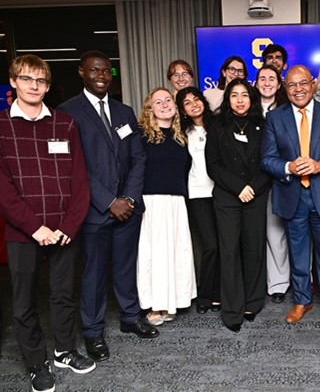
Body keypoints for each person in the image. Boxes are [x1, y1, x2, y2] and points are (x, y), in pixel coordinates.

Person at [0, 54, 95, 392]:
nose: (34, 86)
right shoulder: (1, 127)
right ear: (14, 81)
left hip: (63, 229)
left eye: (40, 81)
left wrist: (69, 226)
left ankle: (64, 350)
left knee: (63, 294)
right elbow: (3, 188)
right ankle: (37, 363)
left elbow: (79, 181)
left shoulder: (65, 124)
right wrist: (33, 227)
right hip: (22, 230)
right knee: (24, 301)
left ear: (48, 86)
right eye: (27, 79)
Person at [58, 50, 158, 364]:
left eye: (107, 72)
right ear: (81, 72)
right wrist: (107, 201)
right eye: (95, 71)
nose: (102, 76)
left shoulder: (124, 111)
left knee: (126, 268)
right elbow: (74, 167)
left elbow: (138, 158)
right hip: (94, 212)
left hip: (127, 208)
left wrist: (127, 199)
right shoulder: (66, 113)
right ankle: (93, 331)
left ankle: (130, 317)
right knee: (94, 274)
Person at [261, 65, 320, 332]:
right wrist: (288, 167)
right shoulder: (274, 118)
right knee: (298, 254)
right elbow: (267, 159)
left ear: (313, 84)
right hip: (292, 195)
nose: (298, 89)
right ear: (284, 88)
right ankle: (302, 301)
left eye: (303, 83)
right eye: (291, 85)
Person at [205, 78, 269, 333]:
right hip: (228, 196)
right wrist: (238, 188)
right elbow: (213, 165)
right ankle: (232, 310)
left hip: (256, 193)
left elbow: (270, 160)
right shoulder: (217, 125)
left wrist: (252, 187)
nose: (240, 100)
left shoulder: (263, 125)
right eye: (234, 95)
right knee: (229, 251)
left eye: (245, 95)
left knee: (254, 249)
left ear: (252, 99)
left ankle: (253, 301)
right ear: (227, 99)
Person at [136, 87, 196, 326]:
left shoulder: (182, 136)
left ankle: (174, 300)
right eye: (157, 102)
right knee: (156, 256)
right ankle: (157, 304)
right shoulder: (142, 136)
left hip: (177, 201)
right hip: (152, 202)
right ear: (150, 108)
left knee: (177, 253)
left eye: (168, 100)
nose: (164, 105)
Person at [176, 86, 221, 314]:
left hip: (222, 192)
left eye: (196, 99)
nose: (194, 104)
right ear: (182, 110)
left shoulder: (218, 126)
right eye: (187, 102)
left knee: (224, 245)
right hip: (198, 194)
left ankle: (220, 292)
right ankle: (206, 294)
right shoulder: (182, 133)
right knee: (210, 245)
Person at [255, 65, 290, 303]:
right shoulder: (246, 107)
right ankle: (259, 282)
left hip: (280, 178)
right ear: (255, 83)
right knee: (256, 235)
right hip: (251, 182)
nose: (267, 82)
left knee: (276, 234)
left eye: (272, 79)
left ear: (279, 84)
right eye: (262, 78)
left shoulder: (287, 111)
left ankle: (279, 283)